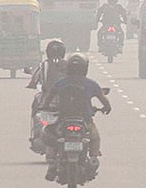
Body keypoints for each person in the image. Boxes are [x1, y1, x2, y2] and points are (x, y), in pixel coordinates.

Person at [42, 53, 111, 181]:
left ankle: (52, 162)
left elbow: (48, 98)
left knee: (53, 136)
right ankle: (94, 158)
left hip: (63, 120)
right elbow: (104, 100)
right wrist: (106, 108)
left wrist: (46, 106)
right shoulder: (91, 84)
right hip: (84, 120)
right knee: (95, 138)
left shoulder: (61, 82)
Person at [26, 39, 67, 107]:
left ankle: (34, 117)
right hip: (66, 97)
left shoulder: (43, 65)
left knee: (37, 100)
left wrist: (32, 84)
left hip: (47, 97)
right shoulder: (69, 64)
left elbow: (35, 79)